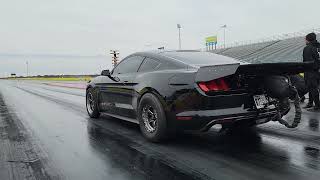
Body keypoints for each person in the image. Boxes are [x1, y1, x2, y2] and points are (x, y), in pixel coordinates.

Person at [303, 32, 320, 110]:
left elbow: (307, 62)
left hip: (312, 71)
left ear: (308, 40)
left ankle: (317, 106)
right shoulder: (318, 46)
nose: (305, 41)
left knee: (312, 87)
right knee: (312, 88)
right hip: (318, 70)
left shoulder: (308, 48)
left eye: (305, 39)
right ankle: (310, 103)